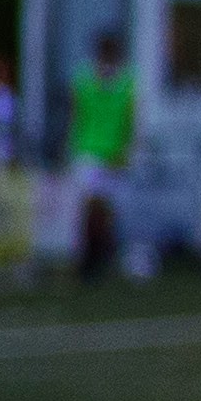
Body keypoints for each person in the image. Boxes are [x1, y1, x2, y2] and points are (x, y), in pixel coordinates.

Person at [62, 18, 141, 280]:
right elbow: (77, 116)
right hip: (90, 151)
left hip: (110, 153)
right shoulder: (87, 79)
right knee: (93, 207)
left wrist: (127, 149)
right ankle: (90, 260)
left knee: (102, 211)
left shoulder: (124, 82)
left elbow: (130, 120)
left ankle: (98, 259)